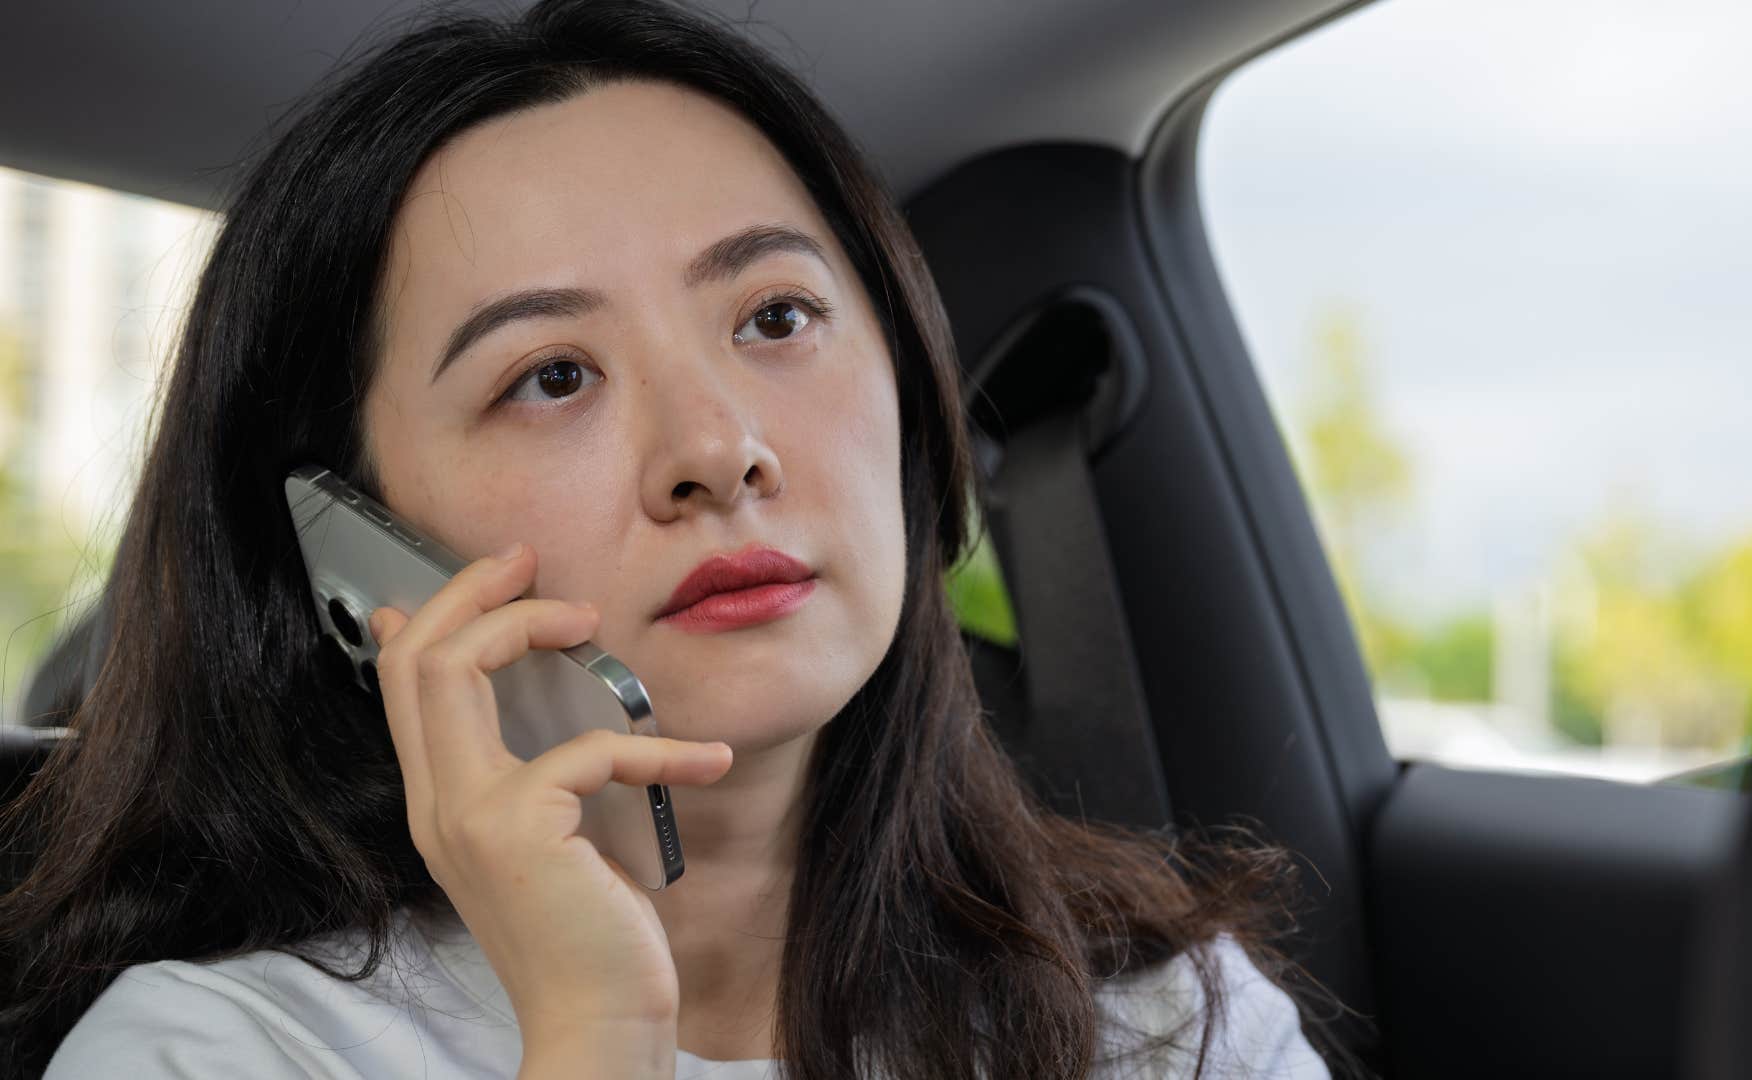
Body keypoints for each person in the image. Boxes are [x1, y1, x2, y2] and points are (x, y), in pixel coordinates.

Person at [0, 1, 1339, 1076]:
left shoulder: (1171, 1022)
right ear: (348, 546)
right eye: (552, 377)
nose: (718, 447)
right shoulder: (213, 1052)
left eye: (774, 317)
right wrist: (598, 1035)